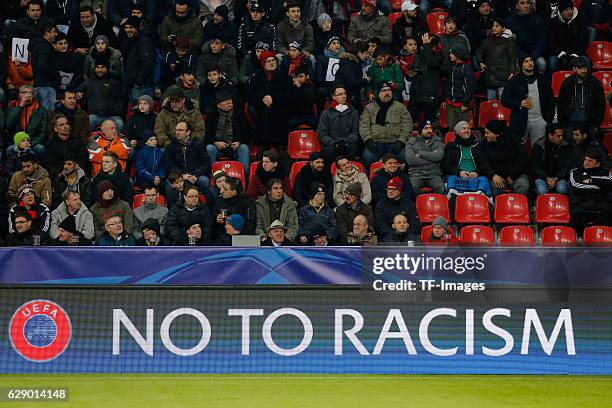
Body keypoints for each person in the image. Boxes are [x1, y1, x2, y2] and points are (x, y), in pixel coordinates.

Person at [501, 55, 553, 147]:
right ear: (521, 65)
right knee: (517, 151)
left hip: (539, 121)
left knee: (539, 151)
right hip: (520, 121)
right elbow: (504, 99)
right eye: (526, 61)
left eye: (531, 61)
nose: (530, 63)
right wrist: (519, 103)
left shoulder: (542, 79)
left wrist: (547, 119)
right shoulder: (514, 80)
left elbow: (550, 99)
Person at [360, 81, 413, 168]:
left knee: (406, 157)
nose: (387, 93)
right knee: (367, 158)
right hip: (376, 142)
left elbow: (407, 125)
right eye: (383, 90)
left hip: (395, 142)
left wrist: (401, 141)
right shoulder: (369, 108)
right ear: (378, 93)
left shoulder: (400, 107)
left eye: (389, 90)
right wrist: (368, 140)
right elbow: (363, 126)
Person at [248, 50, 292, 149]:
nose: (272, 63)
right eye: (268, 61)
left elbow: (289, 96)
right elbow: (250, 97)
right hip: (262, 116)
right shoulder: (256, 78)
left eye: (273, 60)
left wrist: (273, 100)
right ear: (263, 63)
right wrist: (263, 99)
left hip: (280, 115)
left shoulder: (285, 77)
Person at [477, 120, 530, 195]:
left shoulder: (515, 140)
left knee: (523, 184)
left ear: (497, 134)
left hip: (516, 174)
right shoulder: (483, 145)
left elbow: (523, 159)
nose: (485, 135)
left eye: (487, 133)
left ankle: (518, 205)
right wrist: (493, 175)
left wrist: (512, 176)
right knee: (495, 186)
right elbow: (483, 162)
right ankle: (497, 205)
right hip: (497, 176)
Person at [204, 91, 251, 173]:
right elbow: (206, 135)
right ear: (218, 105)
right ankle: (211, 175)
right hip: (217, 148)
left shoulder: (239, 114)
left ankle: (244, 176)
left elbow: (248, 133)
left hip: (235, 148)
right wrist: (215, 142)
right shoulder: (211, 116)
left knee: (244, 148)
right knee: (209, 148)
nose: (229, 102)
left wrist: (239, 142)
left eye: (230, 100)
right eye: (225, 100)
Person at [442, 121, 492, 198]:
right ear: (458, 132)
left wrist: (476, 173)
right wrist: (459, 172)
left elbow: (484, 163)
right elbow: (446, 165)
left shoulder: (477, 146)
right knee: (451, 181)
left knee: (484, 181)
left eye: (468, 128)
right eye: (463, 128)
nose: (467, 130)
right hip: (457, 175)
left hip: (475, 176)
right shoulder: (451, 146)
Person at [569, 149, 612, 235]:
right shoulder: (576, 172)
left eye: (590, 161)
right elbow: (576, 187)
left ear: (598, 164)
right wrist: (601, 187)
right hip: (582, 205)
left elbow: (610, 182)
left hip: (602, 205)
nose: (586, 162)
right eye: (585, 159)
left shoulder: (606, 172)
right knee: (576, 219)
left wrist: (592, 180)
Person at [164, 121, 212, 198]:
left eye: (180, 130)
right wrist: (182, 175)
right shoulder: (171, 146)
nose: (177, 132)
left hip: (196, 175)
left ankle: (209, 207)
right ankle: (172, 208)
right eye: (176, 130)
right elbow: (169, 165)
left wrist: (196, 175)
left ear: (188, 132)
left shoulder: (199, 145)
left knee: (204, 181)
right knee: (169, 183)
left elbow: (206, 164)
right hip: (179, 175)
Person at [557, 56, 606, 132]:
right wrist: (562, 124)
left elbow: (601, 105)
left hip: (589, 123)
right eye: (580, 68)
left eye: (585, 67)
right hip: (570, 124)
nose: (583, 70)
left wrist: (596, 124)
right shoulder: (567, 83)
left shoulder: (594, 83)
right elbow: (561, 104)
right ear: (574, 69)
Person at [77, 56, 124, 131]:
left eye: (102, 67)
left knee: (119, 123)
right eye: (97, 67)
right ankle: (89, 142)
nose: (99, 70)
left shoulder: (115, 83)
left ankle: (116, 142)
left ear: (107, 69)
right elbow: (78, 93)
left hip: (112, 116)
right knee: (89, 121)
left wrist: (114, 111)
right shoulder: (88, 83)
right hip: (94, 116)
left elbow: (122, 100)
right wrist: (78, 95)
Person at [44, 112, 93, 182]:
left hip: (78, 174)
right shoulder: (50, 144)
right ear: (55, 129)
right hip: (59, 176)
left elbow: (84, 159)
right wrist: (59, 173)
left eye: (67, 124)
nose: (66, 126)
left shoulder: (78, 141)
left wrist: (76, 172)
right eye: (61, 125)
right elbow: (48, 163)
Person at [476, 17, 517, 100]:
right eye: (493, 26)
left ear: (503, 28)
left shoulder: (508, 42)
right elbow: (479, 53)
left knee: (504, 102)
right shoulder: (487, 41)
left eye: (497, 26)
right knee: (491, 102)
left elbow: (512, 59)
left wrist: (512, 73)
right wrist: (480, 62)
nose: (494, 28)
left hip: (504, 77)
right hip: (490, 77)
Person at [317, 85, 360, 163]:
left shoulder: (353, 112)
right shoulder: (326, 113)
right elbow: (322, 133)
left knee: (352, 148)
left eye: (344, 94)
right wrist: (333, 142)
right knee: (328, 151)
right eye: (340, 94)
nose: (343, 96)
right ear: (334, 97)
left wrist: (347, 141)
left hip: (348, 144)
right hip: (332, 144)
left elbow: (355, 132)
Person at [406, 33, 443, 124]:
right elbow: (410, 74)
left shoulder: (439, 57)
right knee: (408, 123)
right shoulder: (418, 56)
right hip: (415, 95)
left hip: (429, 97)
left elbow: (431, 63)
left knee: (429, 124)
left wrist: (426, 46)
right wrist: (412, 73)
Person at [547, 0, 590, 72]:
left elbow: (583, 43)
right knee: (552, 61)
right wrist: (561, 54)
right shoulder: (553, 23)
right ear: (560, 11)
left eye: (571, 9)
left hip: (577, 53)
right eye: (566, 10)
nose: (569, 12)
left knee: (587, 61)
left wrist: (575, 54)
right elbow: (550, 43)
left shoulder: (580, 21)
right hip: (558, 53)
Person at [405, 119, 445, 194]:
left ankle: (433, 203)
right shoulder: (411, 142)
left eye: (430, 128)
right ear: (420, 130)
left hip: (433, 173)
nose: (429, 130)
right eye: (426, 128)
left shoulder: (438, 141)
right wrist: (432, 157)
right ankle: (423, 199)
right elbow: (411, 160)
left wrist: (421, 154)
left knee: (441, 188)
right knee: (411, 188)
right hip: (416, 174)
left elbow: (439, 157)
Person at [5, 85, 47, 156]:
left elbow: (43, 132)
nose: (28, 95)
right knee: (10, 149)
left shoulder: (41, 110)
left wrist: (30, 143)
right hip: (16, 142)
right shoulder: (11, 106)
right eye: (24, 92)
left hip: (33, 142)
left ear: (33, 95)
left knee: (40, 148)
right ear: (19, 94)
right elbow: (8, 125)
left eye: (30, 93)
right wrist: (21, 106)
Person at [505, 0, 547, 73]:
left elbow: (542, 42)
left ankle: (539, 83)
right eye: (522, 3)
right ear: (517, 6)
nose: (526, 6)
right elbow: (512, 44)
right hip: (519, 55)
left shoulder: (539, 20)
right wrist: (523, 57)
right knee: (516, 66)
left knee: (542, 64)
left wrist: (533, 57)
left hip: (535, 54)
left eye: (527, 3)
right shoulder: (510, 21)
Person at [121, 16, 155, 102]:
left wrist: (139, 82)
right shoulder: (130, 41)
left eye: (131, 27)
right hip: (132, 84)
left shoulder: (144, 41)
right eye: (126, 27)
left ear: (137, 28)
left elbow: (148, 62)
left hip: (142, 86)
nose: (128, 30)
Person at [531, 124, 572, 196]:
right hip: (542, 177)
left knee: (562, 189)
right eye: (558, 136)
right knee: (542, 191)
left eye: (562, 136)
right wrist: (546, 177)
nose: (561, 138)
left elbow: (567, 166)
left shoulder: (565, 146)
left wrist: (557, 177)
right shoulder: (539, 145)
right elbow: (534, 166)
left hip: (560, 177)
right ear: (550, 135)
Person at [374, 176, 419, 240]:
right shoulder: (381, 205)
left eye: (393, 189)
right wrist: (393, 235)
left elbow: (415, 225)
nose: (390, 191)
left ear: (400, 191)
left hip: (407, 237)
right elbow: (380, 225)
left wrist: (404, 235)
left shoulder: (409, 205)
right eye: (388, 188)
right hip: (388, 238)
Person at [443, 44, 476, 131]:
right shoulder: (452, 67)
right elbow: (449, 84)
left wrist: (465, 103)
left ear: (458, 54)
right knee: (451, 127)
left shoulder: (466, 68)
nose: (450, 55)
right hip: (451, 104)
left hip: (462, 105)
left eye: (452, 53)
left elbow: (470, 87)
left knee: (463, 128)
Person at [30, 23, 60, 111]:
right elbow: (43, 65)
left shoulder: (39, 46)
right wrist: (56, 75)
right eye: (54, 32)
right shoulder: (44, 47)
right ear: (46, 33)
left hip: (40, 85)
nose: (56, 34)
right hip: (47, 87)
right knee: (48, 116)